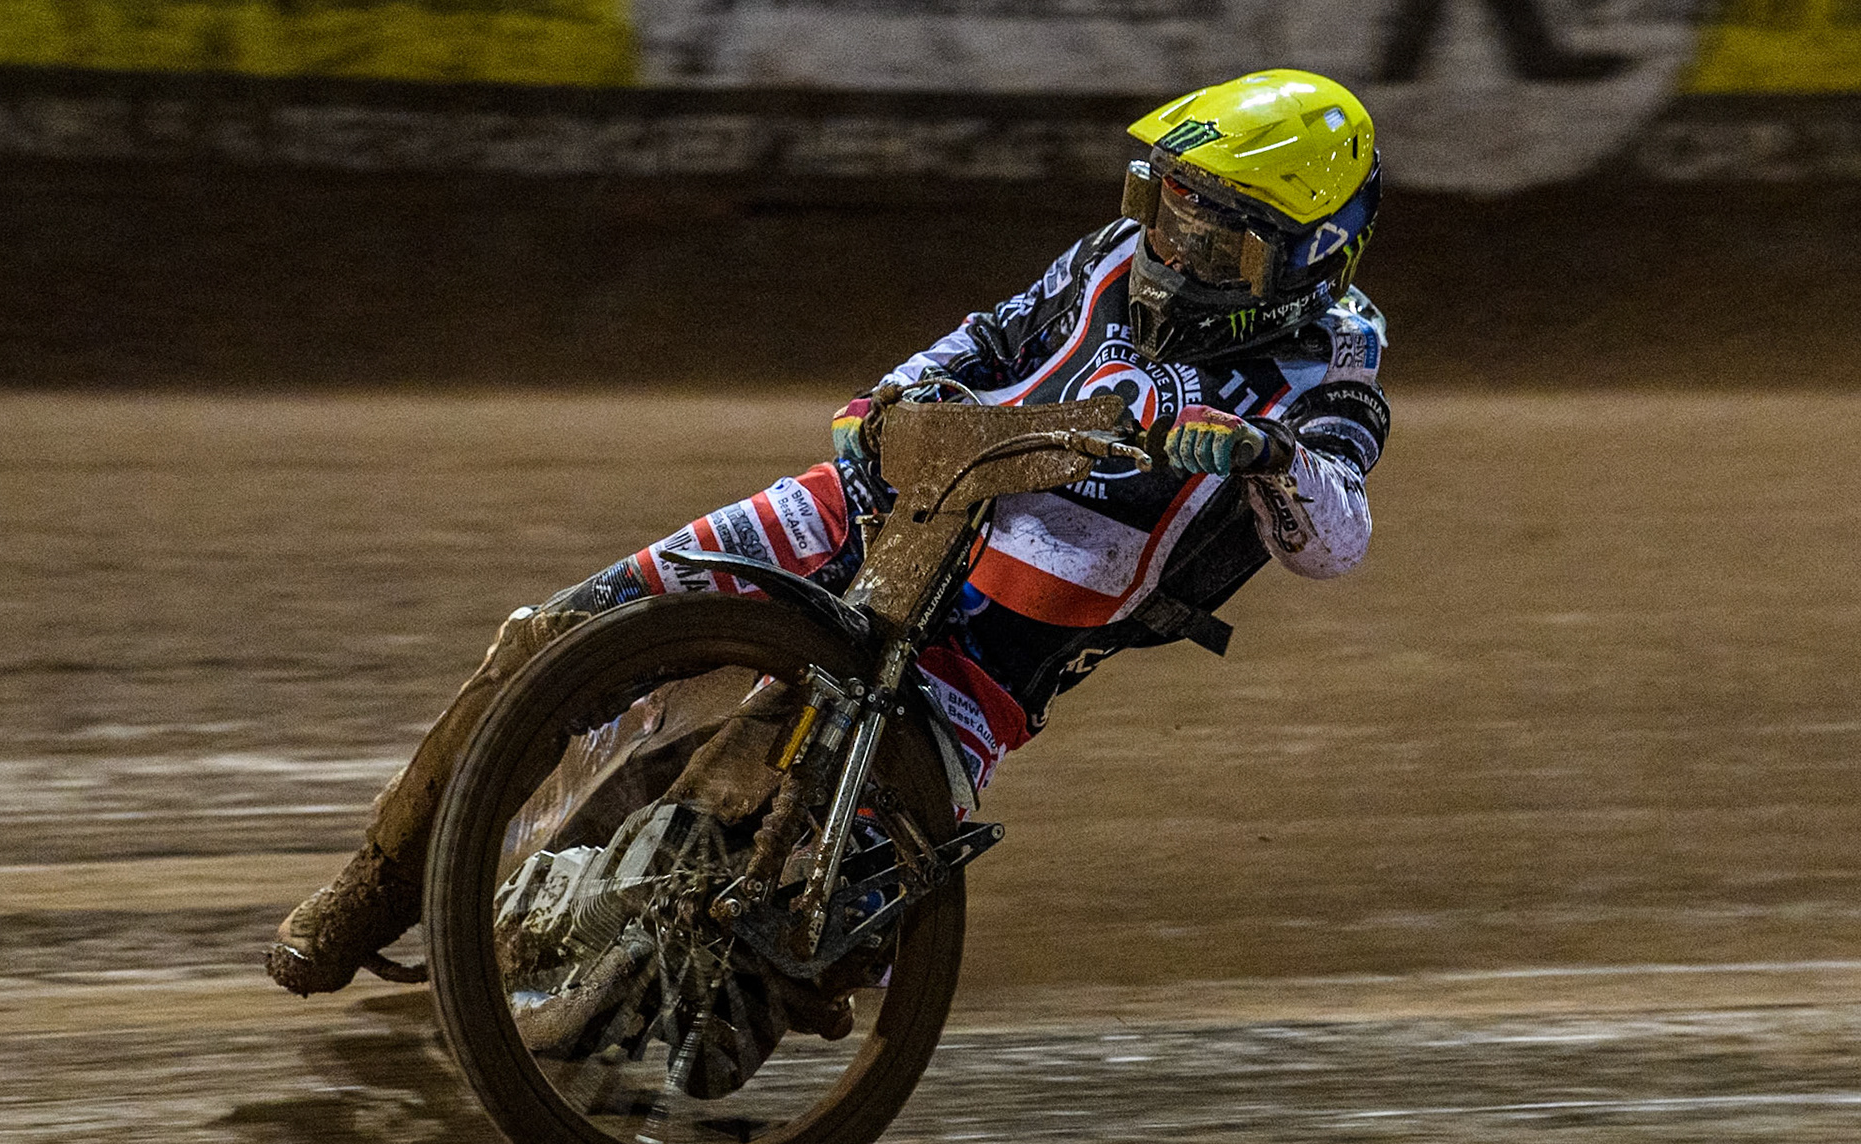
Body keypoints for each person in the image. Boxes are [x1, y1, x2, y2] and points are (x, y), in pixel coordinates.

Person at [267, 68, 1392, 997]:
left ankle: (606, 967)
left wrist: (1266, 451)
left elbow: (1336, 534)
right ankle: (376, 879)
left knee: (743, 815)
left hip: (1001, 626)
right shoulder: (1107, 253)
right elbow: (985, 339)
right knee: (562, 634)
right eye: (1169, 205)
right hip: (882, 498)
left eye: (1220, 240)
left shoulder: (1331, 356)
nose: (1175, 249)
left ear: (1308, 261)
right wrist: (886, 402)